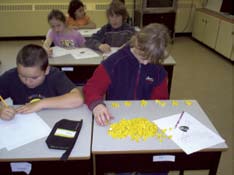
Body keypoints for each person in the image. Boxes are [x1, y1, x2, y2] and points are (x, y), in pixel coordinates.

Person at [83, 23, 170, 175]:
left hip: (145, 125)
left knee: (158, 166)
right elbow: (91, 88)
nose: (146, 63)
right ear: (136, 42)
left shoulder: (158, 71)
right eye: (143, 56)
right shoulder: (115, 62)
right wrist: (97, 105)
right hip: (119, 122)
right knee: (123, 167)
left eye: (151, 60)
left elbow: (160, 103)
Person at [0, 44, 83, 120]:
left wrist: (41, 104)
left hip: (52, 119)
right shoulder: (10, 77)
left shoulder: (55, 76)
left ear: (46, 70)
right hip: (23, 122)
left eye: (34, 77)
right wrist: (0, 110)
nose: (28, 82)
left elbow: (77, 99)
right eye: (23, 76)